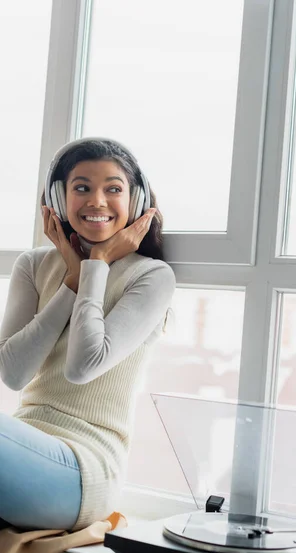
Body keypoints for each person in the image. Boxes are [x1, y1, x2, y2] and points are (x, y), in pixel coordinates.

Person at [0, 138, 176, 532]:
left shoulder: (151, 276)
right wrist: (72, 281)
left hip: (82, 471)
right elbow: (13, 374)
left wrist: (97, 264)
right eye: (82, 188)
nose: (97, 200)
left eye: (113, 189)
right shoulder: (33, 265)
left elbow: (84, 366)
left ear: (136, 199)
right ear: (59, 200)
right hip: (20, 453)